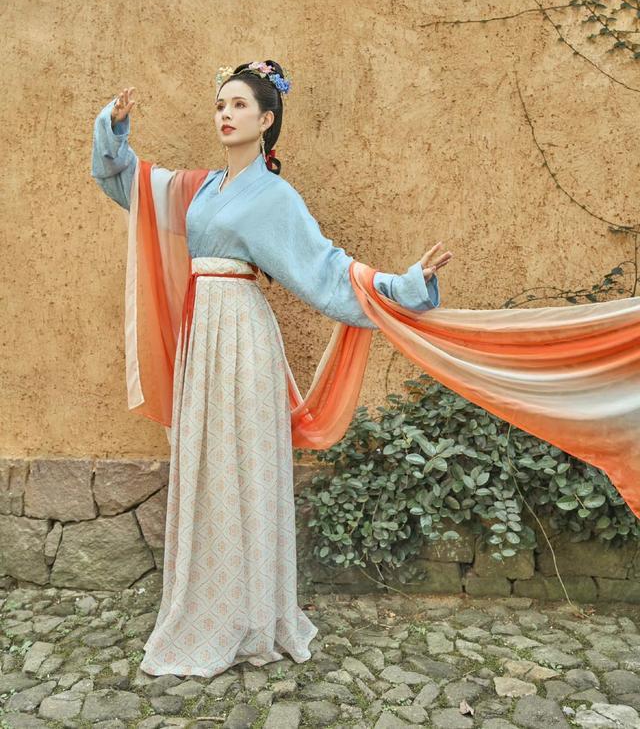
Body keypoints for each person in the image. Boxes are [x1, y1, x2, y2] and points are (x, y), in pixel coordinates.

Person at [91, 60, 452, 678]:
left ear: (266, 120)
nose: (225, 114)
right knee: (207, 467)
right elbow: (128, 183)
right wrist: (114, 128)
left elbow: (326, 270)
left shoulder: (276, 197)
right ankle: (207, 609)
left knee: (247, 468)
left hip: (243, 337)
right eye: (220, 104)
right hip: (202, 337)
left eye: (238, 105)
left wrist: (403, 286)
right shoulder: (198, 189)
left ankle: (256, 613)